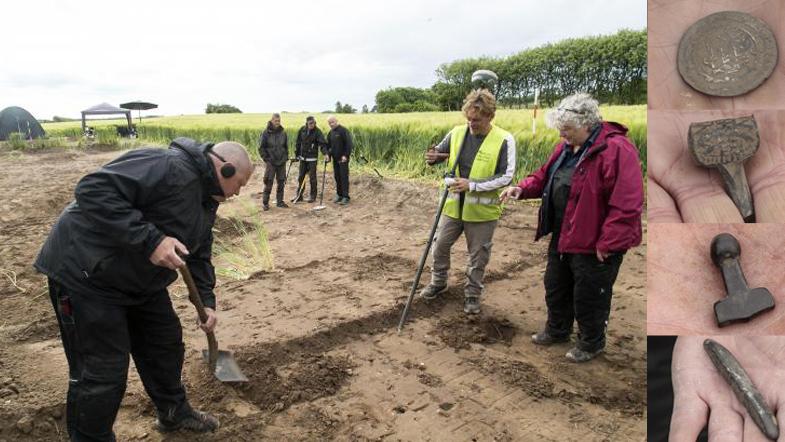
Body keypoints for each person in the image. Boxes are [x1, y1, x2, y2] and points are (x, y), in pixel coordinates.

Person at [34, 137, 254, 440]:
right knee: (102, 373)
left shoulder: (207, 198)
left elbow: (199, 253)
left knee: (164, 346)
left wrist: (207, 301)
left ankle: (174, 413)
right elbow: (91, 190)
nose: (238, 192)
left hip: (139, 282)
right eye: (239, 184)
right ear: (225, 169)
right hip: (88, 273)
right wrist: (151, 240)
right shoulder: (165, 165)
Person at [500, 92, 643, 363]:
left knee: (589, 294)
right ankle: (557, 330)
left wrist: (609, 243)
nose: (562, 135)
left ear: (587, 124)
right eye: (560, 129)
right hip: (564, 231)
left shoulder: (616, 150)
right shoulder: (565, 148)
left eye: (567, 130)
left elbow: (627, 203)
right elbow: (544, 176)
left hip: (595, 240)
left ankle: (591, 342)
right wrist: (522, 188)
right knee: (555, 285)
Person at [418, 89, 516, 315]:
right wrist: (433, 158)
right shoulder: (456, 133)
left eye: (477, 120)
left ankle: (472, 295)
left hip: (482, 211)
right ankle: (438, 282)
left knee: (478, 255)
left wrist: (471, 185)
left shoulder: (504, 139)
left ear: (490, 116)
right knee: (440, 245)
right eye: (469, 119)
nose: (471, 124)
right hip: (452, 205)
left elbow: (506, 176)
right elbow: (440, 154)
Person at [258, 113, 289, 210]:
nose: (278, 123)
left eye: (279, 121)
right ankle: (265, 203)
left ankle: (280, 202)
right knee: (268, 182)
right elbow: (261, 148)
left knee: (281, 182)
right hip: (271, 162)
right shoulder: (265, 133)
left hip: (281, 162)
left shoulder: (283, 132)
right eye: (276, 121)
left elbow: (285, 147)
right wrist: (266, 159)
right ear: (271, 120)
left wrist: (285, 157)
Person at [293, 115, 327, 202]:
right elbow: (298, 142)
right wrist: (296, 155)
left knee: (312, 178)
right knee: (301, 177)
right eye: (310, 123)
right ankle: (299, 196)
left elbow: (322, 144)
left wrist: (325, 153)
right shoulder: (302, 130)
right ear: (307, 123)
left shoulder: (318, 132)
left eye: (314, 123)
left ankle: (313, 196)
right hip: (303, 159)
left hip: (312, 159)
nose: (312, 125)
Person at [325, 115, 353, 205]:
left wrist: (345, 155)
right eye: (329, 123)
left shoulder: (343, 130)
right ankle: (339, 194)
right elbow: (328, 146)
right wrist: (328, 155)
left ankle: (346, 197)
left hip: (343, 159)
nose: (331, 124)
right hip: (335, 159)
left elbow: (349, 144)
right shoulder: (330, 133)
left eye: (332, 122)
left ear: (336, 121)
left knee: (344, 177)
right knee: (337, 177)